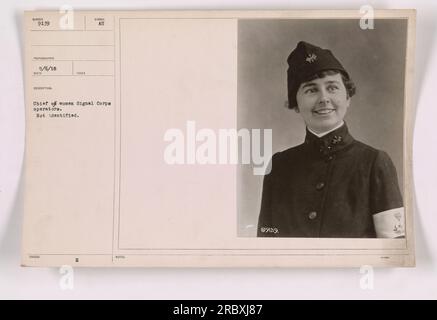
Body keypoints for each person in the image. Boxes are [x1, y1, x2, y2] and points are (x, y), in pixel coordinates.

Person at [257, 41, 405, 238]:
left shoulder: (374, 163)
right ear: (295, 103)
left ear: (348, 98)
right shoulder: (279, 167)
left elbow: (392, 251)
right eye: (311, 90)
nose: (323, 98)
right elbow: (266, 246)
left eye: (332, 88)